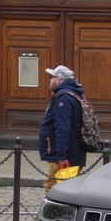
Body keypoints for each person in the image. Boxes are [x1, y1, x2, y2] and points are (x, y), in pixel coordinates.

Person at [39, 65, 87, 195]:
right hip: (71, 153)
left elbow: (62, 128)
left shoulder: (64, 98)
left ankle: (52, 215)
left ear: (59, 80)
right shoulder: (73, 94)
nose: (49, 80)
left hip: (64, 156)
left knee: (53, 188)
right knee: (66, 188)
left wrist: (61, 156)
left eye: (51, 78)